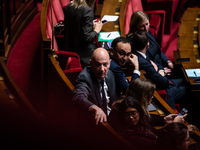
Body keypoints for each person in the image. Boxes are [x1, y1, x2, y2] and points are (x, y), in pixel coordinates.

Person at [131, 30, 187, 110]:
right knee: (188, 88)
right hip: (162, 88)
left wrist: (161, 71)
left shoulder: (139, 54)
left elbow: (156, 64)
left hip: (162, 80)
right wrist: (163, 76)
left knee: (183, 80)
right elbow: (162, 81)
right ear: (147, 45)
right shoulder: (143, 62)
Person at [73, 48, 117, 125]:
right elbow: (78, 97)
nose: (102, 69)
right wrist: (94, 107)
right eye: (98, 65)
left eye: (105, 64)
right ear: (91, 63)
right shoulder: (85, 77)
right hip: (98, 123)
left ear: (109, 63)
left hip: (113, 119)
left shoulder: (110, 74)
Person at [126, 11, 174, 76]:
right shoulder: (132, 41)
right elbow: (145, 60)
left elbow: (157, 49)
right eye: (142, 26)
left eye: (147, 24)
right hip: (155, 71)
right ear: (135, 26)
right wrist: (161, 70)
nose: (146, 28)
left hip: (162, 64)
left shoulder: (147, 32)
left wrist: (167, 60)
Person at [64, 0, 103, 65]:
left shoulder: (68, 7)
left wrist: (89, 25)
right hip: (85, 54)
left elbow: (75, 24)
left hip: (71, 48)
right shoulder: (87, 11)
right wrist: (96, 30)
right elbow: (87, 38)